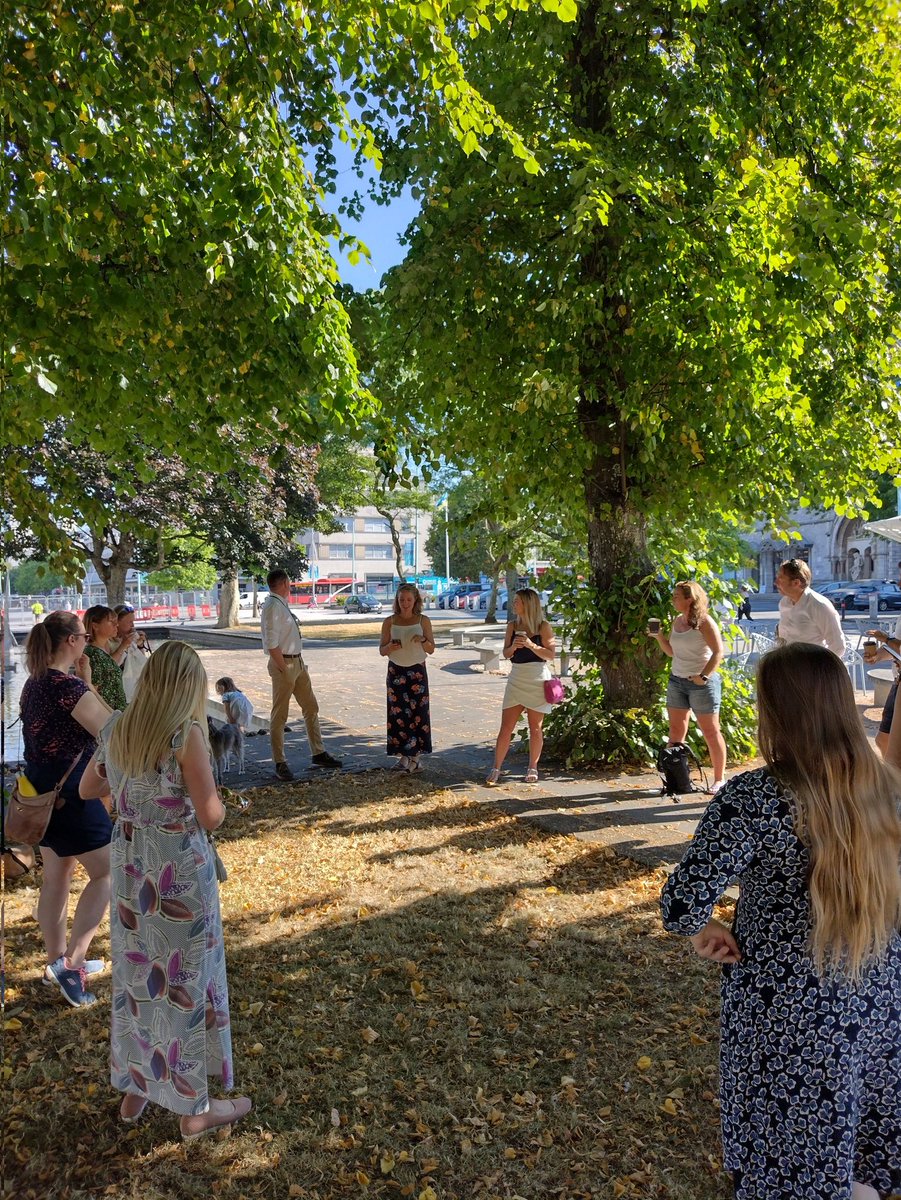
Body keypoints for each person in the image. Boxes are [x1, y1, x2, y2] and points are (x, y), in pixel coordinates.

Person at [661, 642, 901, 1200]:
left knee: (792, 1158)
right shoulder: (888, 789)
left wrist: (703, 927)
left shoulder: (756, 796)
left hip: (787, 1011)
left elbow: (681, 903)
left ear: (777, 712)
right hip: (880, 997)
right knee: (861, 1147)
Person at [78, 641, 252, 1139]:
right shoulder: (185, 734)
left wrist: (133, 794)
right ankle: (193, 1108)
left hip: (133, 871)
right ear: (188, 687)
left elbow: (90, 790)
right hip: (178, 873)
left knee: (140, 980)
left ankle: (140, 1086)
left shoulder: (118, 728)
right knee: (184, 982)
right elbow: (209, 814)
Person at [20, 611, 113, 1006]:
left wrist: (85, 682)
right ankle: (71, 964)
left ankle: (56, 960)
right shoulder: (68, 688)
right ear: (72, 642)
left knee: (57, 875)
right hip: (72, 792)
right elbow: (112, 728)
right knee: (110, 871)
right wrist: (88, 685)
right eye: (84, 636)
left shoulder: (35, 683)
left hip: (41, 792)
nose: (87, 641)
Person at [260, 568, 342, 781]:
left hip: (296, 662)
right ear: (286, 583)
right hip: (285, 664)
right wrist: (283, 667)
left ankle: (318, 752)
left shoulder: (279, 604)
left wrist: (296, 664)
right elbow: (271, 643)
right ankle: (280, 762)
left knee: (311, 706)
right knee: (280, 715)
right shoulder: (272, 606)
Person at [648, 581, 727, 794]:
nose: (673, 600)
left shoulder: (704, 622)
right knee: (675, 731)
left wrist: (703, 676)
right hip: (677, 681)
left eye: (676, 596)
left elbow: (718, 652)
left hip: (701, 684)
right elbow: (673, 652)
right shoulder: (677, 621)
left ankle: (719, 780)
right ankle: (676, 781)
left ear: (689, 599)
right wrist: (659, 637)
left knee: (710, 731)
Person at [485, 588, 556, 786]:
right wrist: (514, 647)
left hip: (537, 678)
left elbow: (551, 655)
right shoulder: (512, 625)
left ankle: (533, 766)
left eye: (517, 601)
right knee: (506, 727)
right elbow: (506, 654)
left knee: (536, 728)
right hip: (516, 678)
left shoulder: (543, 626)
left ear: (528, 603)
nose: (513, 603)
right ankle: (496, 767)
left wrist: (532, 646)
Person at [379, 583, 435, 772]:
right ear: (397, 600)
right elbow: (382, 650)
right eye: (401, 599)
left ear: (415, 601)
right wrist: (389, 648)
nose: (405, 603)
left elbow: (431, 649)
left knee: (418, 712)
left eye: (409, 600)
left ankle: (416, 757)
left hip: (417, 670)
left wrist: (423, 640)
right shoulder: (390, 621)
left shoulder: (423, 620)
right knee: (398, 713)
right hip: (396, 670)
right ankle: (403, 756)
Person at [774, 558, 844, 656]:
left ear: (796, 583)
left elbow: (838, 647)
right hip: (788, 664)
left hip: (812, 667)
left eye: (780, 578)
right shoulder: (784, 603)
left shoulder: (819, 605)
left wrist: (818, 668)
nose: (776, 582)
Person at [862, 616, 901, 756]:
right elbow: (897, 648)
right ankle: (893, 775)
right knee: (884, 739)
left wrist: (886, 639)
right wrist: (877, 656)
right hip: (898, 681)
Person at [83, 605, 127, 711]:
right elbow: (93, 691)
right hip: (107, 717)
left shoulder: (103, 650)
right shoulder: (93, 654)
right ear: (95, 626)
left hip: (115, 715)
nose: (116, 624)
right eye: (111, 622)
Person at [110, 604, 152, 702]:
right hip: (118, 692)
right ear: (117, 622)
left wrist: (140, 645)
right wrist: (124, 645)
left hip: (133, 689)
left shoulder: (127, 639)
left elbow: (140, 663)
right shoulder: (108, 642)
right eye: (130, 622)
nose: (133, 625)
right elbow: (110, 665)